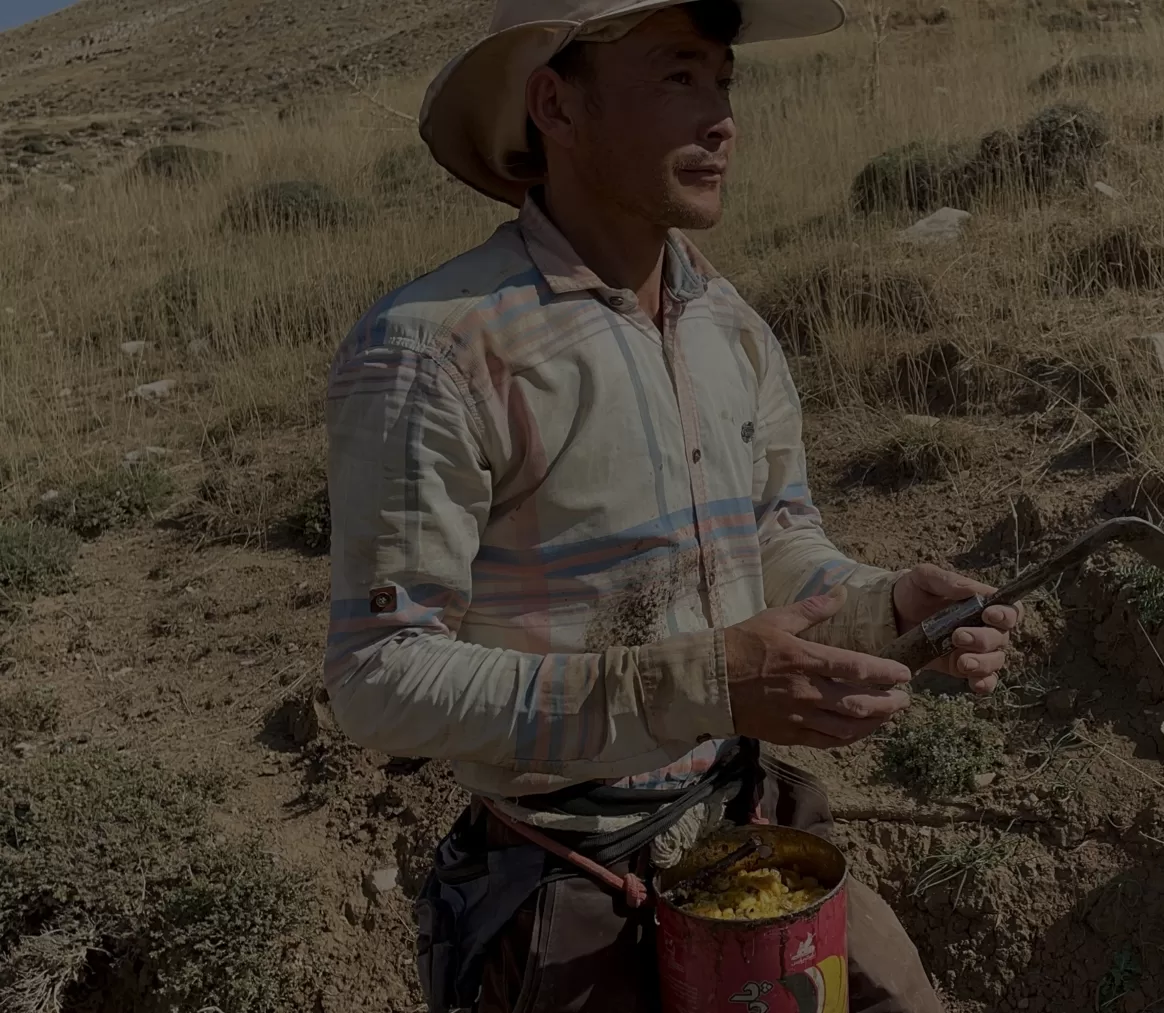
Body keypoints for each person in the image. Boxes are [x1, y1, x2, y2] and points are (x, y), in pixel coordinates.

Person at [321, 0, 1019, 1010]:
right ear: (556, 105)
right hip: (566, 881)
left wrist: (889, 604)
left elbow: (777, 543)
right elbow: (377, 674)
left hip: (753, 833)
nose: (723, 116)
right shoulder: (433, 348)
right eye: (680, 77)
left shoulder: (731, 327)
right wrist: (692, 681)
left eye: (724, 80)